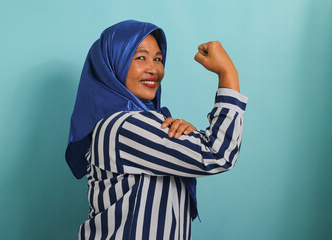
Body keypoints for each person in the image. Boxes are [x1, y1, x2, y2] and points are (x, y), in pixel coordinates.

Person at [65, 20, 248, 240]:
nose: (154, 69)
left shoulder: (144, 123)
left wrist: (191, 137)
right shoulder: (124, 126)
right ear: (114, 62)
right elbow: (218, 153)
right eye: (140, 57)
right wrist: (228, 73)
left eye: (158, 59)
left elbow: (201, 151)